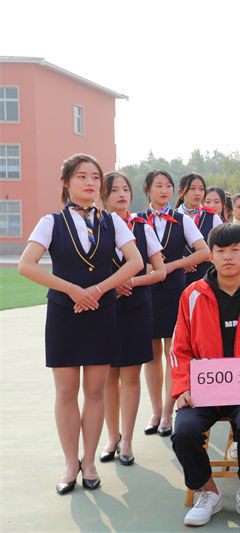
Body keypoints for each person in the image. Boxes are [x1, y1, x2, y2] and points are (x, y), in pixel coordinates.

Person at [18, 154, 143, 494]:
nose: (90, 183)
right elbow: (26, 265)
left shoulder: (112, 222)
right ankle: (70, 463)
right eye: (81, 176)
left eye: (94, 177)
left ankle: (89, 461)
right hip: (63, 314)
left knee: (95, 390)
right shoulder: (51, 221)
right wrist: (73, 290)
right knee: (66, 391)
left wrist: (100, 289)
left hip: (102, 313)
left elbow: (136, 261)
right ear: (66, 182)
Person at [169, 223, 240, 527]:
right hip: (204, 391)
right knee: (183, 432)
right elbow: (179, 348)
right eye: (221, 251)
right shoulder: (192, 295)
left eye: (235, 250)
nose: (228, 257)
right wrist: (182, 388)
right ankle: (209, 492)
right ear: (211, 256)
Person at [99, 172, 166, 466]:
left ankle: (127, 440)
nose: (122, 195)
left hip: (137, 308)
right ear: (104, 195)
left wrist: (132, 282)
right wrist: (112, 285)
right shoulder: (94, 227)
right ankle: (111, 437)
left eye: (125, 189)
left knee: (130, 376)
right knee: (106, 378)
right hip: (103, 309)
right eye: (114, 190)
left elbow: (160, 271)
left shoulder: (143, 226)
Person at [139, 169, 210, 438]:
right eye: (158, 185)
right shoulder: (136, 220)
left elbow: (204, 251)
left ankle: (169, 411)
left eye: (168, 185)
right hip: (145, 292)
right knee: (151, 354)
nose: (164, 190)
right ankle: (156, 411)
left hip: (173, 291)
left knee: (173, 352)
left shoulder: (182, 219)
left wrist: (174, 265)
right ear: (147, 189)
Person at [176, 173, 223, 285]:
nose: (198, 193)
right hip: (176, 280)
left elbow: (223, 247)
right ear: (181, 192)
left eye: (201, 189)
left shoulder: (212, 217)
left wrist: (193, 260)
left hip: (207, 278)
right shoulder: (173, 217)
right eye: (192, 189)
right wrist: (181, 262)